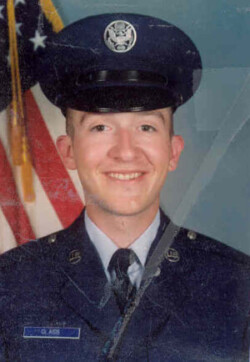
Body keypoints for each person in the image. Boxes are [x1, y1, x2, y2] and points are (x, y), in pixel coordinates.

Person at [0, 13, 249, 362]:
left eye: (146, 127)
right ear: (67, 152)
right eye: (100, 128)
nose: (126, 152)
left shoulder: (237, 285)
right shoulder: (11, 284)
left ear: (173, 151)